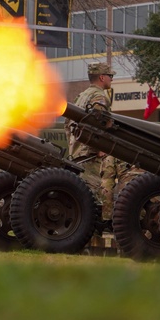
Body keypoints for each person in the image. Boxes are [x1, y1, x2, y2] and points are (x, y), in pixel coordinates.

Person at [66, 62, 132, 226]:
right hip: (91, 155)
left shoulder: (81, 96)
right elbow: (99, 124)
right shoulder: (99, 97)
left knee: (83, 193)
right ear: (102, 77)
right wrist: (100, 148)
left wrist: (73, 147)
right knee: (94, 196)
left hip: (78, 153)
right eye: (110, 76)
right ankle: (95, 228)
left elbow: (68, 124)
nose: (112, 79)